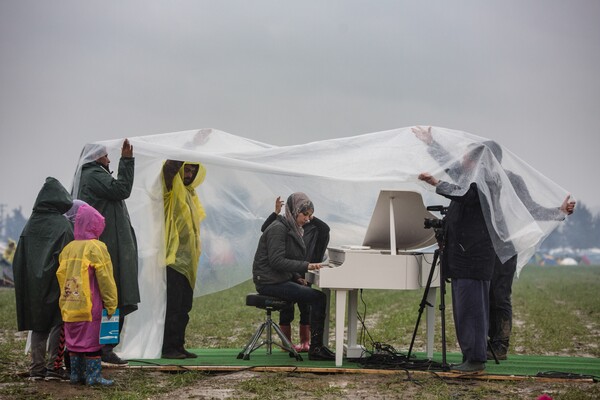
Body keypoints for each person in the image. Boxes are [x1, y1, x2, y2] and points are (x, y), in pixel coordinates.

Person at [415, 126, 503, 373]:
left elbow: (464, 194)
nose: (463, 159)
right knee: (466, 310)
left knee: (472, 311)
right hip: (466, 258)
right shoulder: (475, 177)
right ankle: (470, 356)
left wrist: (436, 183)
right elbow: (454, 170)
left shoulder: (485, 181)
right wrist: (431, 143)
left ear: (479, 161)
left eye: (468, 156)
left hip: (473, 259)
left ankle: (475, 360)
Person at [481, 140, 575, 360]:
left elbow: (531, 209)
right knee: (482, 297)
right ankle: (482, 343)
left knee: (499, 296)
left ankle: (500, 345)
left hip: (505, 248)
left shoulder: (513, 180)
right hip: (479, 249)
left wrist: (558, 212)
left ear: (495, 159)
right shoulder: (475, 180)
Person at [77, 139, 139, 365]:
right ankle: (104, 348)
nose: (109, 159)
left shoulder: (93, 174)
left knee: (112, 297)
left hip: (109, 246)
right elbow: (122, 189)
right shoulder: (93, 175)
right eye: (105, 156)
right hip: (108, 248)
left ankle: (104, 347)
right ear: (95, 157)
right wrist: (127, 160)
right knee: (112, 297)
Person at [252, 192, 335, 361]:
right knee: (317, 298)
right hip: (269, 282)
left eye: (310, 215)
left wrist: (297, 276)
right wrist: (307, 266)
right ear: (294, 211)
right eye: (305, 214)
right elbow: (277, 262)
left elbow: (285, 261)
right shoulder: (278, 229)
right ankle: (316, 348)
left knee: (315, 296)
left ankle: (314, 345)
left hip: (277, 279)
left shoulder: (290, 228)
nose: (307, 219)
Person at [13, 177, 74, 380]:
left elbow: (19, 258)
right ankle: (53, 369)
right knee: (58, 322)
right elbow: (68, 258)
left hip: (32, 285)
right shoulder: (63, 226)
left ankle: (36, 369)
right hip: (56, 283)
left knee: (38, 324)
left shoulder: (29, 225)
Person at [57, 204, 118, 386]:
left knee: (74, 341)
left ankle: (76, 375)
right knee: (92, 341)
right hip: (90, 304)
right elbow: (105, 278)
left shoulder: (68, 248)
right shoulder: (97, 247)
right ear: (95, 225)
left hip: (69, 303)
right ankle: (94, 377)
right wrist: (111, 303)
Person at [161, 160, 207, 359]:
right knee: (173, 306)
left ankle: (178, 345)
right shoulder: (171, 187)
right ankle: (168, 347)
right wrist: (190, 147)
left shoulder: (191, 193)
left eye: (192, 171)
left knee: (184, 307)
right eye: (186, 169)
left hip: (188, 263)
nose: (188, 174)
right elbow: (169, 169)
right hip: (173, 260)